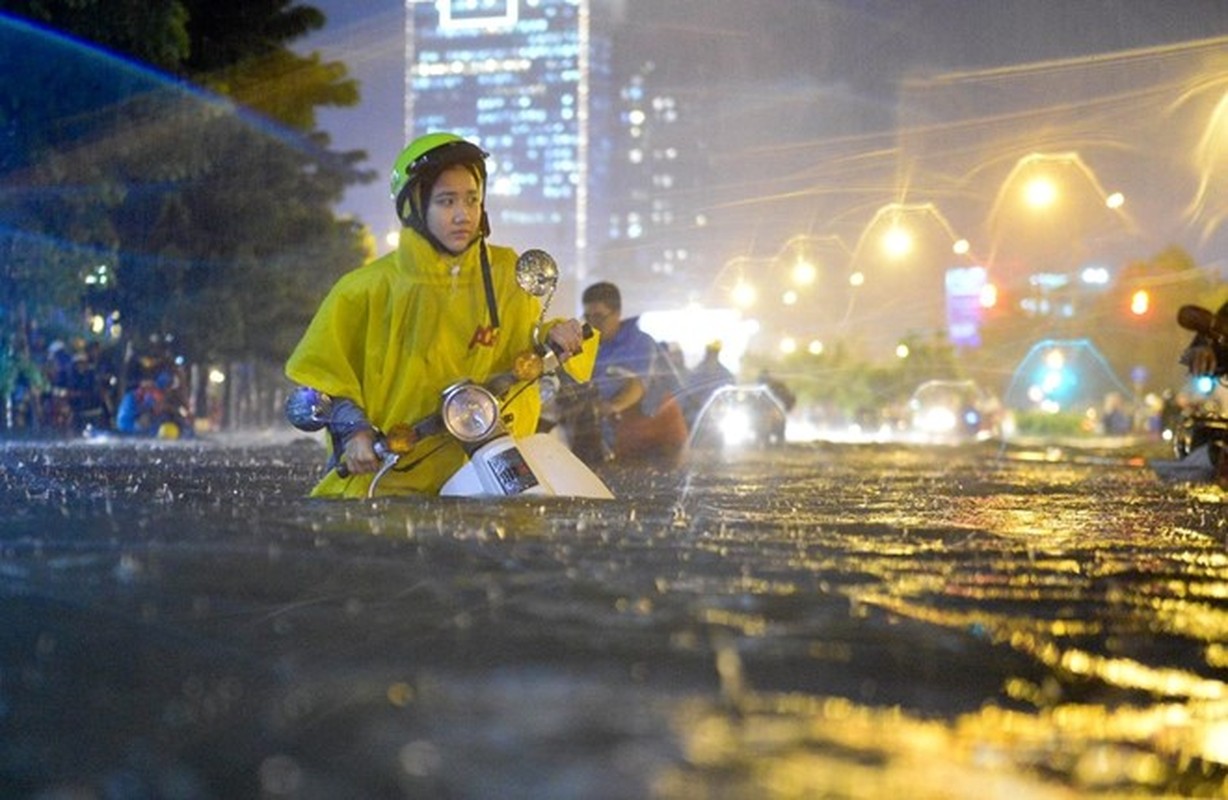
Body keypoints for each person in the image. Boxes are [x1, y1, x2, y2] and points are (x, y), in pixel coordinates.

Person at [285, 132, 594, 497]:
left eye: (472, 199)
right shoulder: (363, 289)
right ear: (415, 206)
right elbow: (324, 377)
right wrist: (356, 433)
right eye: (447, 201)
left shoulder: (506, 272)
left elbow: (529, 335)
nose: (463, 214)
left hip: (490, 465)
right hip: (393, 477)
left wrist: (559, 335)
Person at [580, 281, 687, 464]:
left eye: (599, 317)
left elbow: (636, 386)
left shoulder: (639, 343)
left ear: (617, 314)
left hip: (659, 436)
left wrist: (610, 407)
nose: (592, 324)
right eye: (587, 317)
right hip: (623, 435)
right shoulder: (590, 347)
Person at [681, 340, 735, 426]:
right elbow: (688, 396)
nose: (711, 354)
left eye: (714, 352)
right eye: (710, 351)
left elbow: (729, 399)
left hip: (716, 423)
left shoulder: (725, 375)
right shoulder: (696, 372)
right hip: (693, 421)